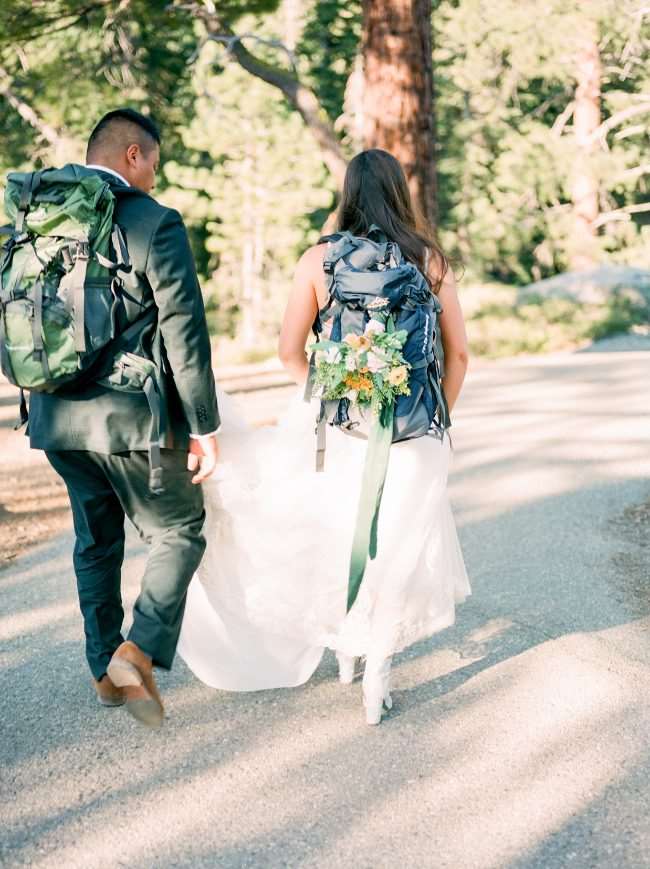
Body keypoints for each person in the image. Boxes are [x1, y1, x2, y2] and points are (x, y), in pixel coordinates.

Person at [178, 149, 470, 725]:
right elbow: (459, 353)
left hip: (344, 429)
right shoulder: (431, 260)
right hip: (417, 431)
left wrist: (334, 391)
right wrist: (437, 418)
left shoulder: (318, 260)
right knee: (398, 550)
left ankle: (346, 655)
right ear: (399, 193)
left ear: (348, 193)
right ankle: (377, 673)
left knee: (343, 538)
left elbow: (289, 352)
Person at [26, 109, 220, 728]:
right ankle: (135, 652)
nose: (155, 181)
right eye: (154, 167)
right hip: (130, 419)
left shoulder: (34, 220)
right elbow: (184, 327)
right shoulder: (152, 222)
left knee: (96, 539)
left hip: (54, 415)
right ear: (132, 155)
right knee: (179, 530)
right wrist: (205, 426)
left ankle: (101, 670)